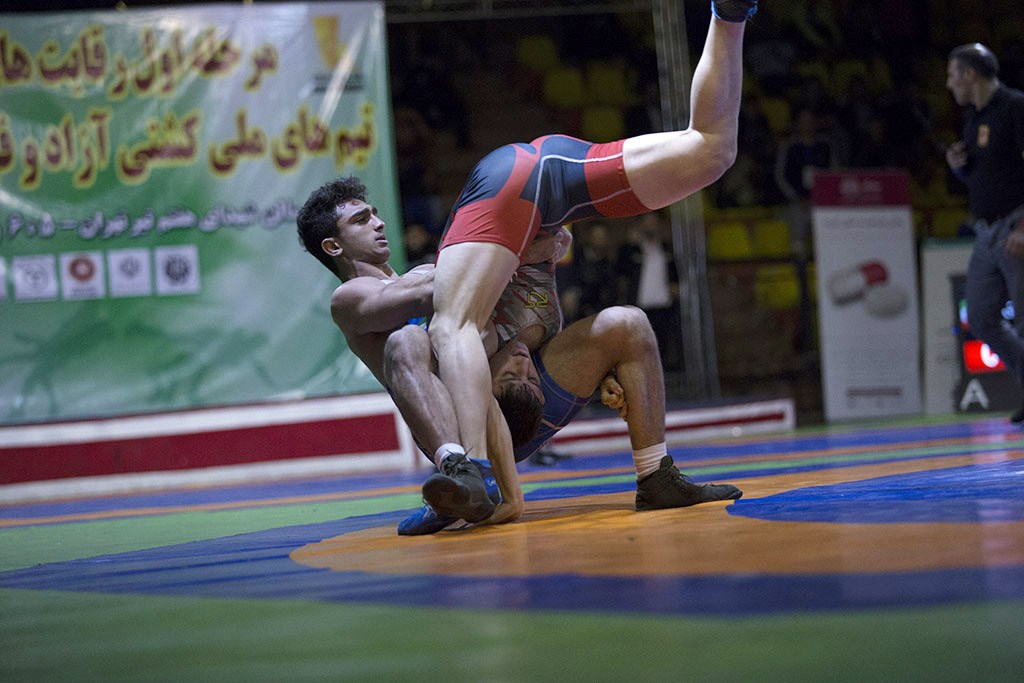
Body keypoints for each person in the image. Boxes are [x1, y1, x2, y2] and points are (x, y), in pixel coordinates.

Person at [423, 0, 756, 518]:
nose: (523, 366)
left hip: (509, 186)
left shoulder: (479, 348)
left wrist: (487, 485)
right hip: (553, 184)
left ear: (485, 386)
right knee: (712, 151)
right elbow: (552, 355)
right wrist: (600, 374)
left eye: (512, 377)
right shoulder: (535, 344)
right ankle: (729, 15)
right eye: (531, 378)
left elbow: (442, 340)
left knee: (453, 327)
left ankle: (471, 467)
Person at [295, 179, 742, 530]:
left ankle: (655, 475)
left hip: (524, 397)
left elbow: (502, 315)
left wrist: (603, 367)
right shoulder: (350, 299)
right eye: (361, 220)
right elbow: (435, 288)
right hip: (468, 427)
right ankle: (460, 469)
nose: (377, 223)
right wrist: (514, 245)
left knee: (626, 323)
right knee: (407, 341)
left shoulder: (428, 269)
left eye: (374, 213)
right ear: (334, 247)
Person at [944, 43, 1024, 423]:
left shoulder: (1015, 107)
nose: (949, 84)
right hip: (987, 232)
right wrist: (959, 168)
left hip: (1015, 226)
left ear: (970, 75)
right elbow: (985, 178)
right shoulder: (973, 118)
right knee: (979, 317)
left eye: (952, 75)